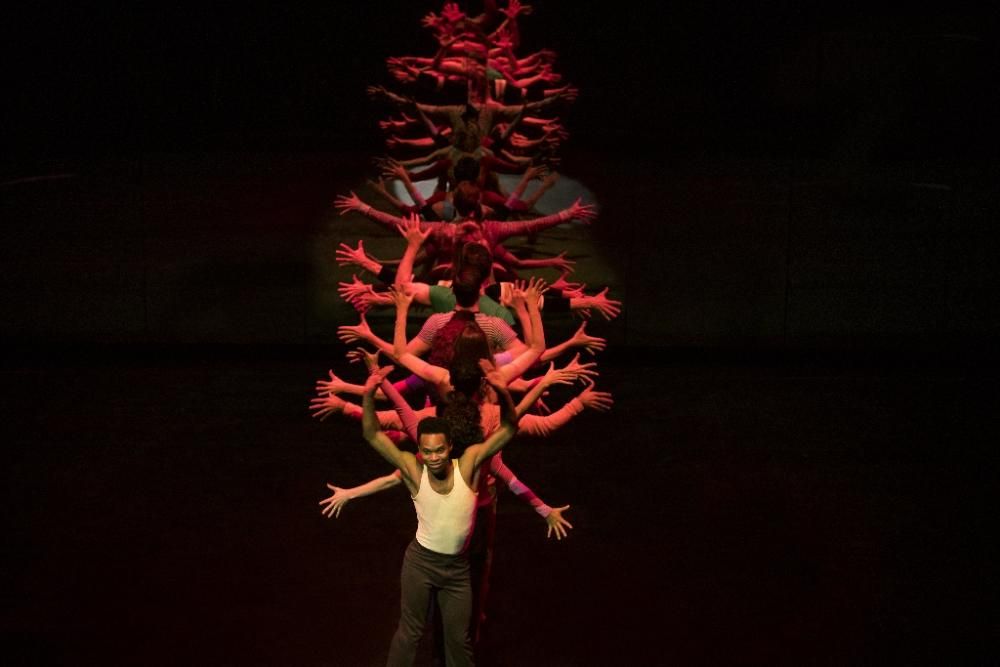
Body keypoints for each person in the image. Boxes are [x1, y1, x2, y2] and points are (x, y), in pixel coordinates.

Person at [359, 360, 519, 666]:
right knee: (410, 633)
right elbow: (372, 435)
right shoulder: (413, 469)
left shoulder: (469, 464)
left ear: (450, 448)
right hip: (421, 564)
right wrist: (369, 394)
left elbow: (510, 428)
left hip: (457, 571)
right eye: (427, 451)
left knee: (459, 642)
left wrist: (503, 391)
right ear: (420, 449)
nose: (433, 458)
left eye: (440, 450)